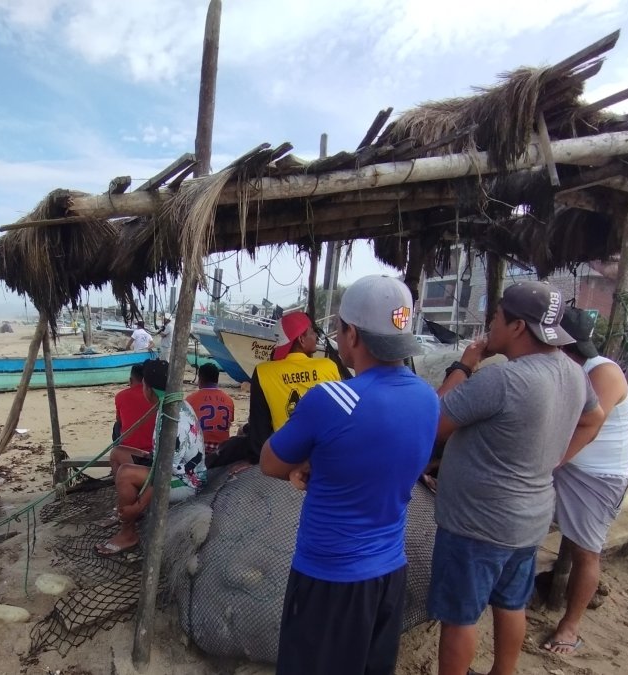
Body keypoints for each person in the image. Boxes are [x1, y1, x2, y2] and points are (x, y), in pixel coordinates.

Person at [261, 275, 439, 675]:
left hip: (330, 579)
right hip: (389, 572)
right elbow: (380, 459)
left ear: (352, 335)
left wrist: (308, 463)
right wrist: (324, 461)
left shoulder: (332, 399)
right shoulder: (427, 398)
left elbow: (270, 462)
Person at [430, 281, 605, 675]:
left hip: (477, 523)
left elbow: (434, 422)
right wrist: (554, 459)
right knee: (510, 604)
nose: (489, 325)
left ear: (517, 327)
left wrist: (465, 364)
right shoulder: (573, 373)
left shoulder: (504, 380)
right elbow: (594, 419)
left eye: (495, 318)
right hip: (529, 519)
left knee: (460, 616)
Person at [542, 308, 628, 655]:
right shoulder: (566, 370)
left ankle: (570, 624)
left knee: (585, 551)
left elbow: (586, 426)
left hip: (598, 476)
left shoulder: (603, 373)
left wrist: (549, 464)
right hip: (563, 465)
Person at [96, 359, 205, 555]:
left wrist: (138, 507)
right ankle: (124, 506)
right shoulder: (172, 403)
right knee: (119, 453)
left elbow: (162, 475)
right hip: (170, 466)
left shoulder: (171, 419)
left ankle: (128, 532)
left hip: (185, 481)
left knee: (125, 473)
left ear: (148, 388)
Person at [207, 311, 340, 468]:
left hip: (287, 453)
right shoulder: (328, 366)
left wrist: (254, 460)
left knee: (233, 445)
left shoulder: (263, 371)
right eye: (313, 331)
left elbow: (259, 430)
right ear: (301, 339)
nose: (316, 336)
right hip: (325, 450)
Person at [109, 363, 157, 475]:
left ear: (131, 380)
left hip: (133, 451)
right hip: (153, 448)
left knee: (116, 426)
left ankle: (117, 472)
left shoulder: (121, 396)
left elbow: (119, 420)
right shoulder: (155, 395)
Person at [186, 362, 235, 460]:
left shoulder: (190, 399)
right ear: (217, 380)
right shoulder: (229, 400)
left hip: (199, 448)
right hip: (222, 449)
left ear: (200, 379)